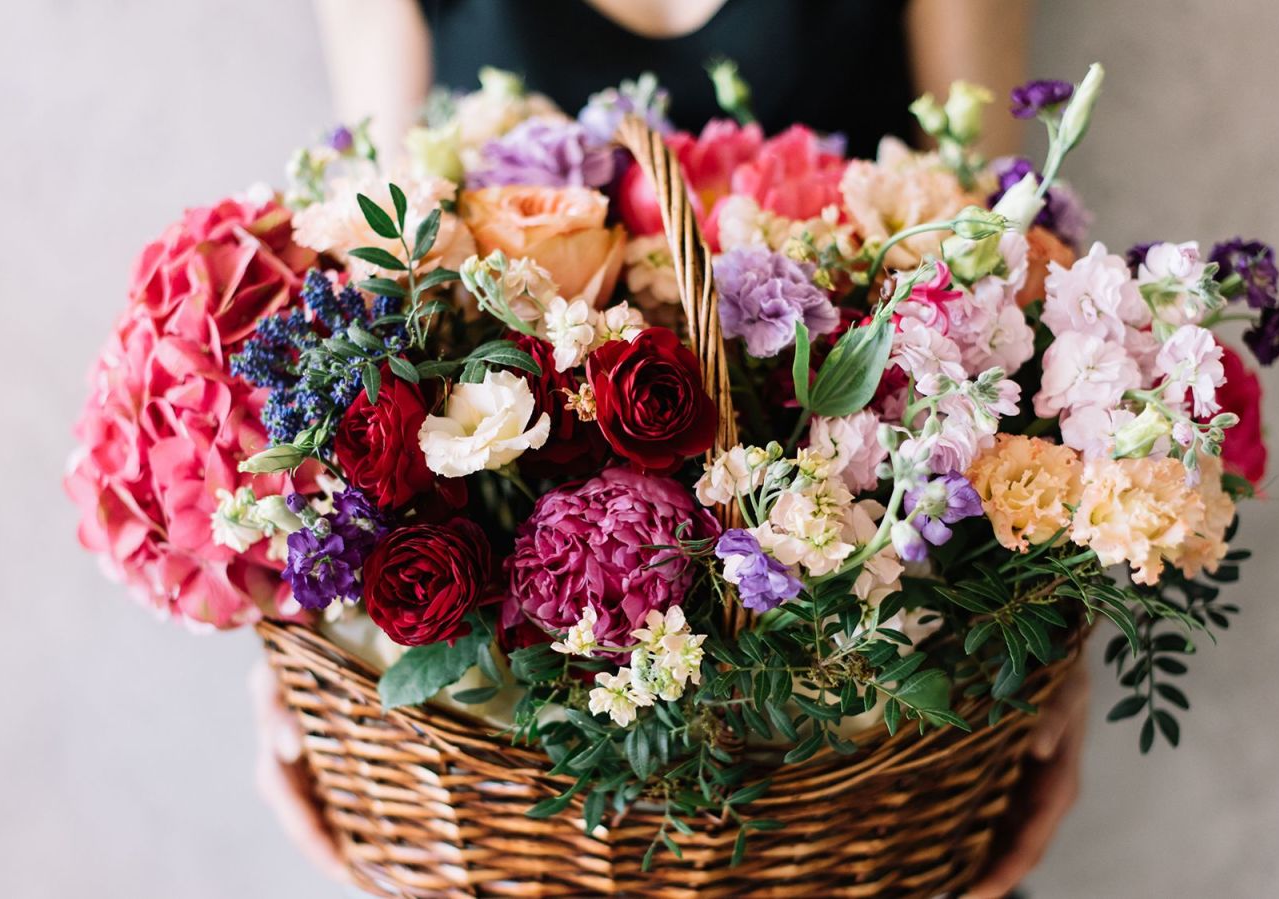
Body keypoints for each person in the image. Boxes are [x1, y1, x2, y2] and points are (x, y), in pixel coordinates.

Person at [258, 2, 1089, 896]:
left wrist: (1053, 659)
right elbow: (370, 271)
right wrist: (296, 646)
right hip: (524, 819)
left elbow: (989, 257)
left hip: (856, 782)